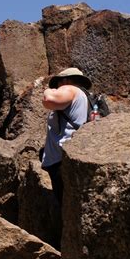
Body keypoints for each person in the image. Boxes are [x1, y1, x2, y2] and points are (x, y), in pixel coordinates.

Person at [41, 67, 91, 204]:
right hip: (69, 158)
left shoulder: (69, 89)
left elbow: (49, 99)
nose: (56, 88)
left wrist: (47, 90)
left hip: (62, 160)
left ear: (66, 80)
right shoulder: (84, 97)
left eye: (57, 84)